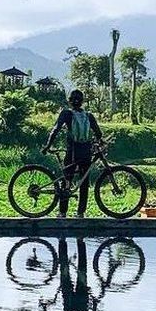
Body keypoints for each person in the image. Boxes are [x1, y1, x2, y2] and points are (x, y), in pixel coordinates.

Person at [42, 89, 104, 218]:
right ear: (82, 102)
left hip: (72, 152)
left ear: (69, 101)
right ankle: (80, 213)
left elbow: (55, 129)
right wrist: (98, 142)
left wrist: (48, 146)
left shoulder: (66, 114)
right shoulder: (89, 115)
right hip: (85, 152)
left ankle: (62, 213)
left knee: (66, 181)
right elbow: (98, 133)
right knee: (84, 183)